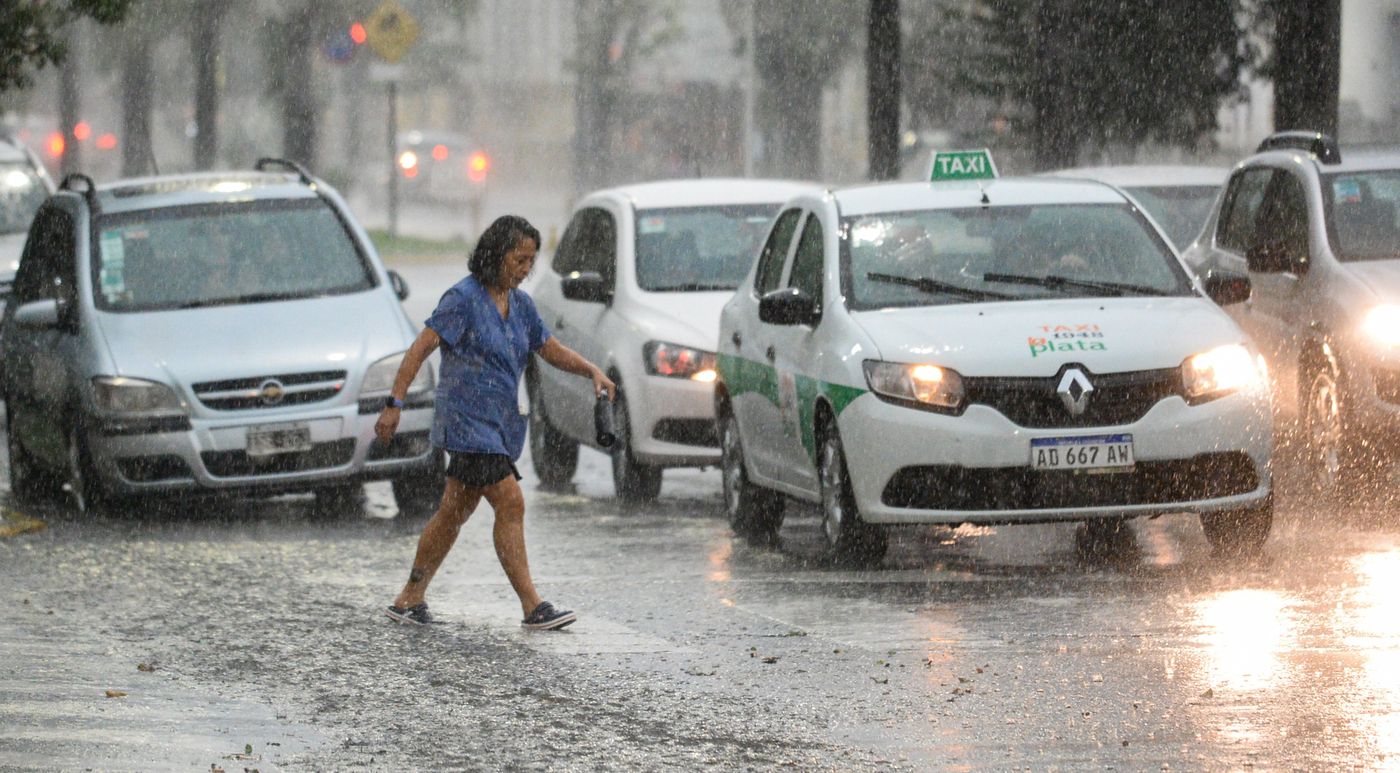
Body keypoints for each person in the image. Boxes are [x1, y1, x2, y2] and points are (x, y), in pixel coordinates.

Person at [379, 215, 615, 631]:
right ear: (496, 254)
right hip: (466, 425)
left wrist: (590, 370)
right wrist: (394, 403)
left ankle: (409, 598)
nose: (525, 269)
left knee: (452, 513)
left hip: (498, 426)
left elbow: (549, 348)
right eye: (519, 260)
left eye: (531, 261)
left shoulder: (520, 305)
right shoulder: (463, 299)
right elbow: (420, 348)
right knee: (510, 501)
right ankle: (532, 605)